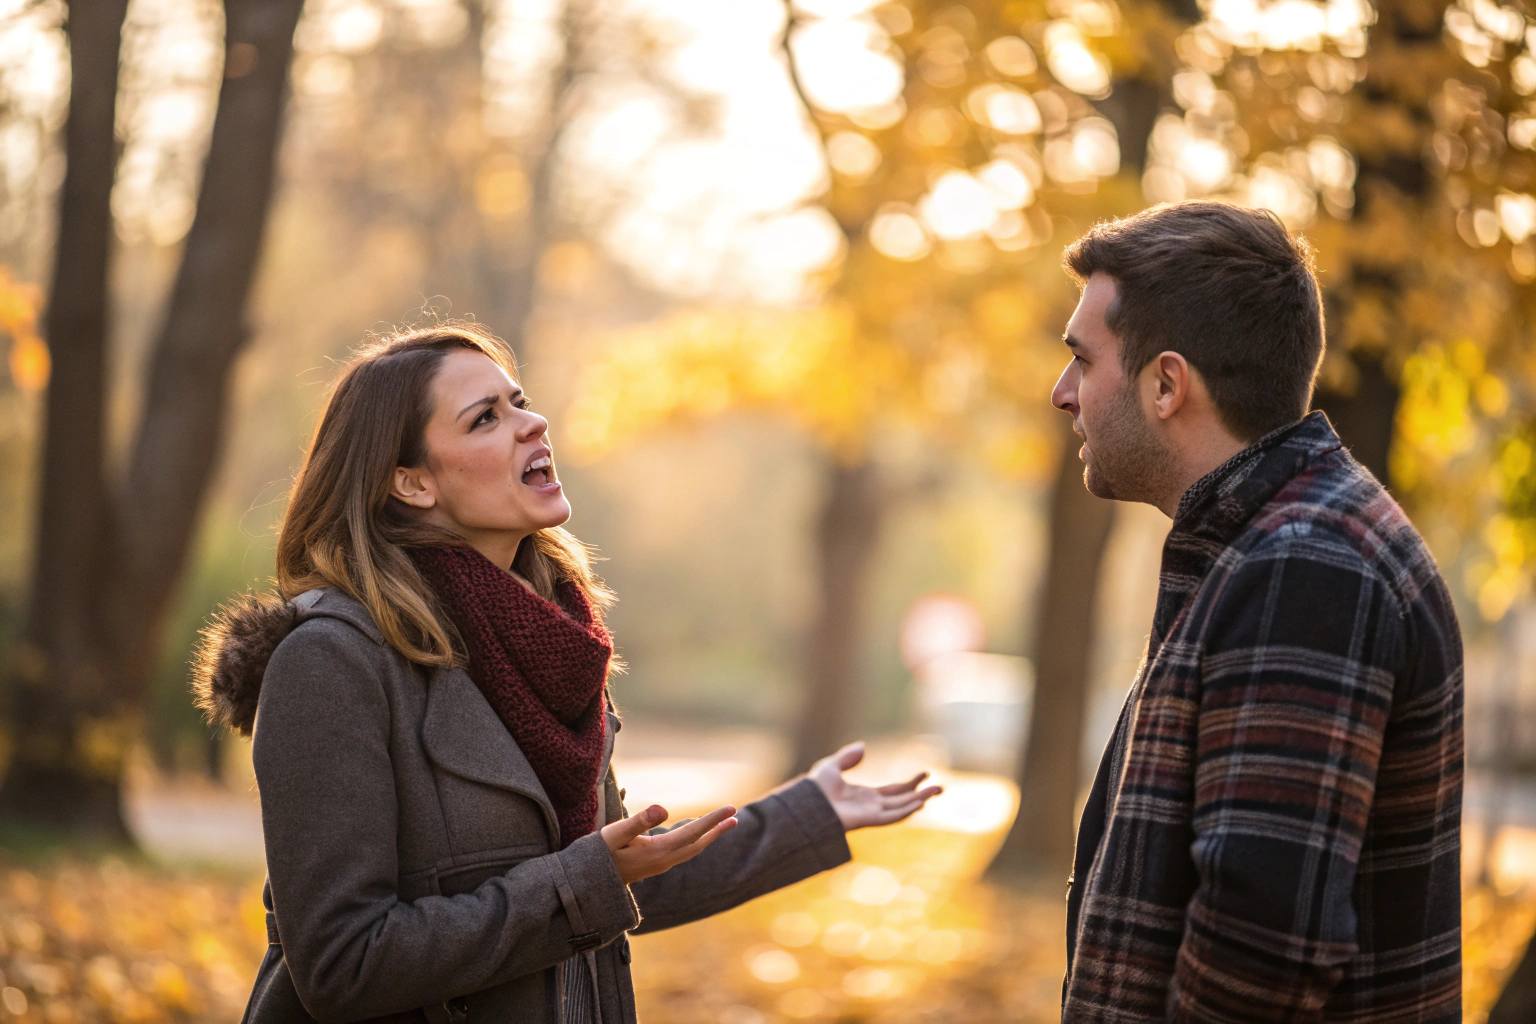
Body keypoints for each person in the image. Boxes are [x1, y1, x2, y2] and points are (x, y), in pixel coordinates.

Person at [192, 324, 941, 1024]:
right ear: (412, 484)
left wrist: (805, 814)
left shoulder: (552, 646)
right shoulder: (333, 662)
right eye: (485, 418)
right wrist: (580, 881)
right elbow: (342, 962)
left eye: (520, 401)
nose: (532, 423)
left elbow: (614, 875)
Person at [1050, 202, 1463, 1023]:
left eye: (1081, 360)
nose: (1063, 394)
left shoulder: (1306, 564)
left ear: (1166, 383)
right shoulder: (1270, 543)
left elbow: (1263, 950)